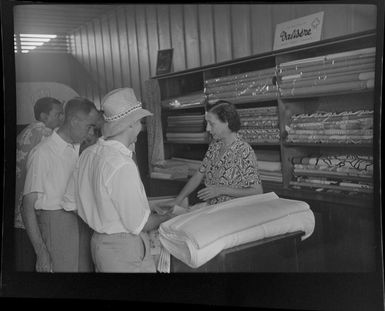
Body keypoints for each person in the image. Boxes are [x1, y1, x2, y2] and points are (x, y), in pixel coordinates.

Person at [62, 88, 172, 273]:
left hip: (99, 243)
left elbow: (70, 202)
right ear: (130, 124)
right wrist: (170, 216)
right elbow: (140, 224)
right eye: (139, 121)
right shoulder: (121, 164)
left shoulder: (88, 154)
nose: (141, 126)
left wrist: (102, 214)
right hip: (123, 249)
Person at [22, 97, 99, 272]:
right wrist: (41, 252)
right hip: (56, 224)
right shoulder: (42, 153)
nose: (91, 133)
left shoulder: (76, 148)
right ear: (73, 121)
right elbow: (27, 207)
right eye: (89, 126)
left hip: (80, 220)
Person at [169, 100, 263, 208]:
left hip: (234, 212)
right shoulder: (215, 146)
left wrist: (222, 190)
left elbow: (257, 191)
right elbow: (199, 174)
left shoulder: (243, 150)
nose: (207, 129)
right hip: (214, 209)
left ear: (226, 122)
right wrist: (177, 200)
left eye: (212, 124)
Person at [14, 96, 64, 271]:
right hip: (32, 217)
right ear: (44, 116)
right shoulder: (46, 134)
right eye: (58, 114)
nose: (62, 118)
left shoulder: (25, 132)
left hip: (18, 216)